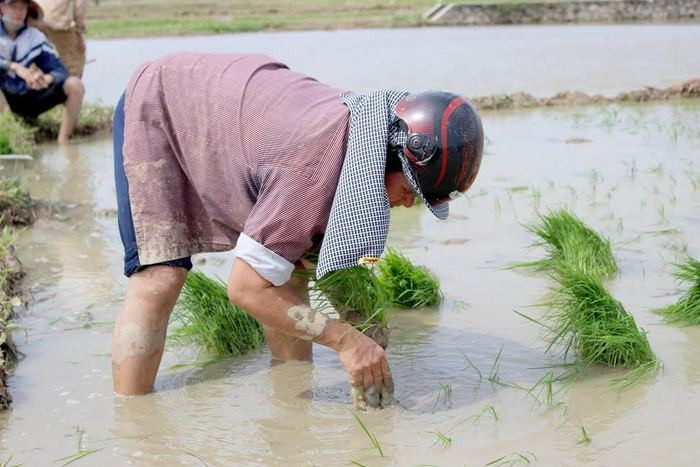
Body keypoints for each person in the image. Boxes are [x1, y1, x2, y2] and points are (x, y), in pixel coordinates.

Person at [111, 52, 484, 409]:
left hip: (238, 106)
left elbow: (294, 268)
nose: (406, 204)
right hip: (162, 105)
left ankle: (289, 400)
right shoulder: (308, 174)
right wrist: (346, 341)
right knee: (160, 275)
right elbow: (245, 288)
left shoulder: (370, 129)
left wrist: (365, 326)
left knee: (288, 270)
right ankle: (134, 422)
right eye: (408, 191)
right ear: (383, 158)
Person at [0, 0, 84, 143]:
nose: (18, 12)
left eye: (22, 7)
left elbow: (60, 70)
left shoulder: (35, 37)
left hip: (29, 97)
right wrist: (14, 67)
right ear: (2, 7)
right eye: (13, 6)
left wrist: (45, 78)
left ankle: (63, 140)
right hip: (5, 98)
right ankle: (10, 134)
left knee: (75, 84)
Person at [35, 0, 87, 78]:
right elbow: (79, 10)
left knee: (36, 60)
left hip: (34, 19)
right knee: (73, 64)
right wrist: (79, 33)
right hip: (57, 21)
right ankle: (71, 85)